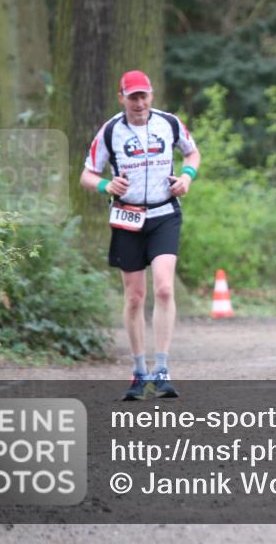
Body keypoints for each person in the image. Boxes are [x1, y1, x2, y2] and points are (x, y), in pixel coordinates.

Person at [80, 70, 200, 401]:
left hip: (164, 214)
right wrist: (105, 184)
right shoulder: (110, 131)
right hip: (127, 218)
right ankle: (138, 370)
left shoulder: (169, 123)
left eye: (143, 96)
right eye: (132, 97)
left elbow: (192, 153)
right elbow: (87, 175)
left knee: (163, 288)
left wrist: (187, 177)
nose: (139, 102)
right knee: (134, 297)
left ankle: (162, 369)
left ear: (152, 96)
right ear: (121, 98)